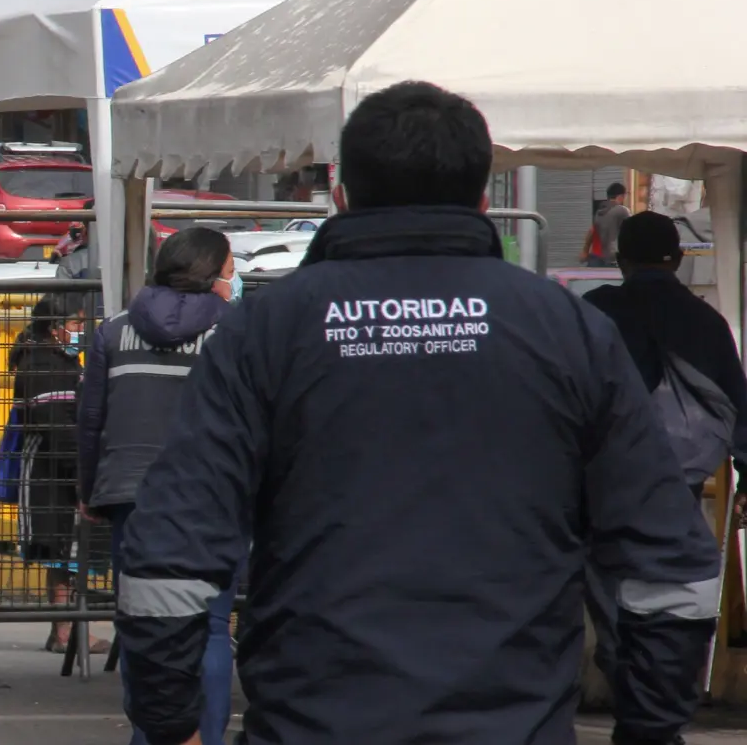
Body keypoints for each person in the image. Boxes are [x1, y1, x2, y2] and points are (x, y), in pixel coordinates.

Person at [114, 80, 720, 745]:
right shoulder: (566, 331)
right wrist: (650, 726)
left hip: (312, 722)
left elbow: (170, 551)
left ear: (341, 195)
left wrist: (169, 723)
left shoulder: (267, 328)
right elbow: (669, 558)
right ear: (486, 199)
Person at [581, 209, 747, 693]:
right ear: (677, 259)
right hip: (681, 472)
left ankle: (621, 664)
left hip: (603, 472)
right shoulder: (706, 321)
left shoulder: (595, 310)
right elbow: (738, 401)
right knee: (671, 578)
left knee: (605, 569)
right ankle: (658, 682)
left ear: (620, 259)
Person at [77, 227, 236, 731]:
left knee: (142, 627)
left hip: (130, 493)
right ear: (212, 273)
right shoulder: (238, 329)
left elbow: (91, 417)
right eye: (231, 268)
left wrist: (88, 489)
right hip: (212, 495)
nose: (234, 277)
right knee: (211, 627)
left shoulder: (114, 330)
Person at [3, 291, 107, 655]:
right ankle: (67, 631)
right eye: (76, 324)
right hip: (53, 471)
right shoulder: (44, 365)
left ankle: (65, 628)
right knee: (64, 550)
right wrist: (82, 477)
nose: (80, 330)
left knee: (67, 551)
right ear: (55, 327)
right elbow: (57, 428)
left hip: (58, 467)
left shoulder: (55, 360)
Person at [584, 181, 631, 266]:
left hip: (596, 256)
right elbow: (633, 230)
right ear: (621, 196)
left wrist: (585, 251)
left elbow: (591, 232)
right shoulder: (622, 210)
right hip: (613, 258)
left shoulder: (599, 212)